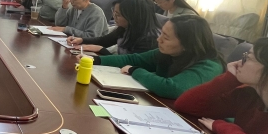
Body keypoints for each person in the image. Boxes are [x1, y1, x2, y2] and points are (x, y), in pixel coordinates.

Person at [93, 15, 224, 99]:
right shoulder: (168, 52)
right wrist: (95, 60)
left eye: (165, 37)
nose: (158, 39)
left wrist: (135, 70)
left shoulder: (209, 66)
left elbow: (172, 88)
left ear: (187, 44)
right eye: (161, 34)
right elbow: (133, 59)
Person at [66, 0, 161, 55]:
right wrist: (82, 40)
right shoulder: (125, 28)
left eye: (118, 15)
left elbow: (131, 63)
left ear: (133, 17)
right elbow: (104, 40)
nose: (114, 17)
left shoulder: (150, 39)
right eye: (114, 12)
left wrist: (101, 50)